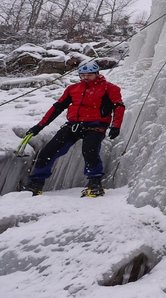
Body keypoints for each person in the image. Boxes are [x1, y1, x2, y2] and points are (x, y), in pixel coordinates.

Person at [21, 61, 126, 197]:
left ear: (97, 74)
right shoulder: (73, 88)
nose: (86, 78)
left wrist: (115, 126)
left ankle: (95, 183)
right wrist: (39, 126)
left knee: (90, 151)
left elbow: (118, 106)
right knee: (48, 152)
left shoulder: (110, 88)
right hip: (73, 125)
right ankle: (36, 184)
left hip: (96, 126)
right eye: (83, 75)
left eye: (89, 75)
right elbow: (57, 108)